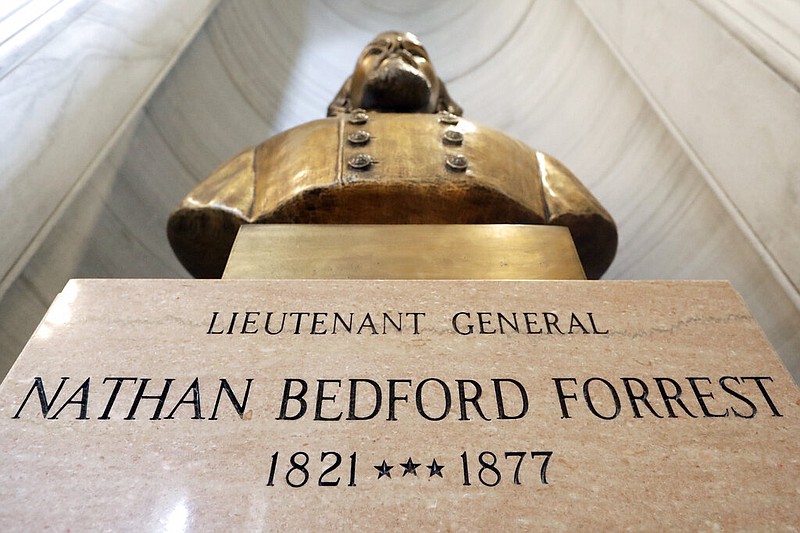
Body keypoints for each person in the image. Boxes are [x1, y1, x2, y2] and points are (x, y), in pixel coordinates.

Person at [168, 31, 617, 279]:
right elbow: (204, 220)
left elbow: (583, 226)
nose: (395, 51)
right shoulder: (271, 157)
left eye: (413, 50)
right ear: (347, 88)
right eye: (376, 50)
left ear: (444, 92)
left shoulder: (526, 162)